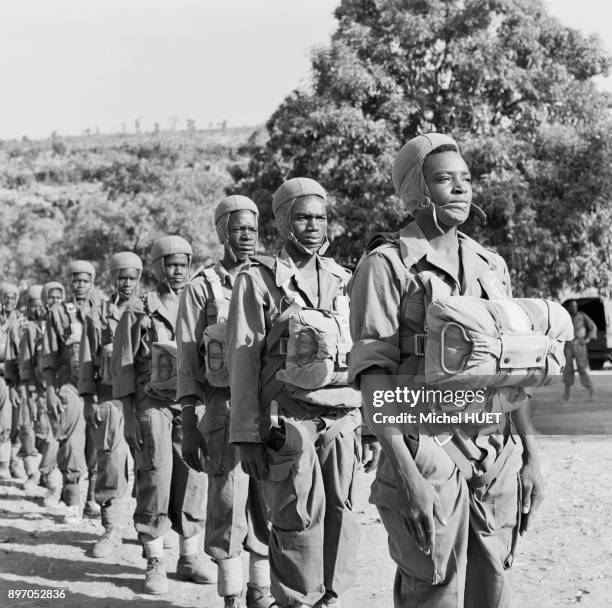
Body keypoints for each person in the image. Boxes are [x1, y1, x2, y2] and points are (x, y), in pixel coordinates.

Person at [348, 133, 545, 608]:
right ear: (417, 190)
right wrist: (406, 472)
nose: (461, 189)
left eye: (467, 179)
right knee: (432, 586)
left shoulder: (491, 265)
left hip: (493, 448)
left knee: (492, 583)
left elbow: (511, 371)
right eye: (444, 179)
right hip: (426, 446)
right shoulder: (386, 265)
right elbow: (374, 376)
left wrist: (531, 453)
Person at [227, 178, 364, 608]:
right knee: (295, 517)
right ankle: (297, 601)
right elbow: (244, 360)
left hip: (341, 416)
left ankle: (330, 599)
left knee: (342, 512)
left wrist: (374, 427)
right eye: (303, 217)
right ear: (285, 221)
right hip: (286, 420)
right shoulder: (258, 280)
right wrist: (246, 435)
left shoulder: (345, 278)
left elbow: (366, 354)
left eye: (320, 217)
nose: (313, 225)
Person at [177, 195, 273, 608]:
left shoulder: (272, 277)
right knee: (228, 504)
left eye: (253, 228)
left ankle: (261, 590)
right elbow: (185, 355)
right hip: (223, 407)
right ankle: (231, 597)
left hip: (268, 409)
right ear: (222, 232)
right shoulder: (201, 287)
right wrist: (189, 421)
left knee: (268, 504)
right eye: (239, 228)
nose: (247, 235)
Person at [112, 235, 215, 594]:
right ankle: (155, 560)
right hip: (151, 404)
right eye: (171, 265)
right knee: (154, 477)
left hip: (192, 403)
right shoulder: (138, 309)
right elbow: (123, 365)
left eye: (184, 264)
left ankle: (189, 558)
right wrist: (127, 414)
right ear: (157, 268)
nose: (178, 271)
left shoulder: (201, 302)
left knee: (194, 475)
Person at [78, 251, 142, 557]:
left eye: (132, 278)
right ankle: (112, 526)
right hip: (109, 397)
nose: (127, 283)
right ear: (112, 279)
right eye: (121, 277)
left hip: (145, 395)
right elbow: (87, 357)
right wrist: (88, 399)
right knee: (111, 462)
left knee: (151, 462)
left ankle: (152, 527)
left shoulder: (147, 309)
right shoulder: (97, 314)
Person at [41, 261, 99, 524]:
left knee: (98, 443)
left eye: (85, 281)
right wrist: (50, 392)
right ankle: (73, 501)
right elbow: (49, 357)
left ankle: (93, 501)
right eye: (76, 281)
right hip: (70, 384)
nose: (80, 286)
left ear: (92, 282)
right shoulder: (58, 312)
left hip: (98, 384)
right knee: (71, 443)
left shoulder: (102, 307)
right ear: (70, 283)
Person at [4, 285, 45, 490]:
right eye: (33, 305)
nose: (37, 310)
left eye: (40, 305)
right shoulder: (17, 327)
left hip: (46, 387)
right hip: (23, 385)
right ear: (27, 305)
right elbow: (11, 361)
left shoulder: (50, 326)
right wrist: (12, 385)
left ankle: (48, 471)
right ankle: (32, 472)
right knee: (25, 427)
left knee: (46, 430)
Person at [0, 283, 27, 480]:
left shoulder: (21, 320)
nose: (9, 301)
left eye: (12, 297)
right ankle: (3, 462)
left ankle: (14, 461)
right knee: (4, 422)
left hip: (16, 376)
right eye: (6, 297)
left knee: (16, 421)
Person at [562, 299, 597, 402]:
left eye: (575, 306)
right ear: (568, 307)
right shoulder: (564, 317)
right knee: (567, 369)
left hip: (579, 344)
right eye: (572, 306)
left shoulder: (582, 316)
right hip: (567, 344)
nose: (574, 308)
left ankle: (592, 392)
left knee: (583, 368)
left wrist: (588, 339)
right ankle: (566, 396)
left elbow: (592, 327)